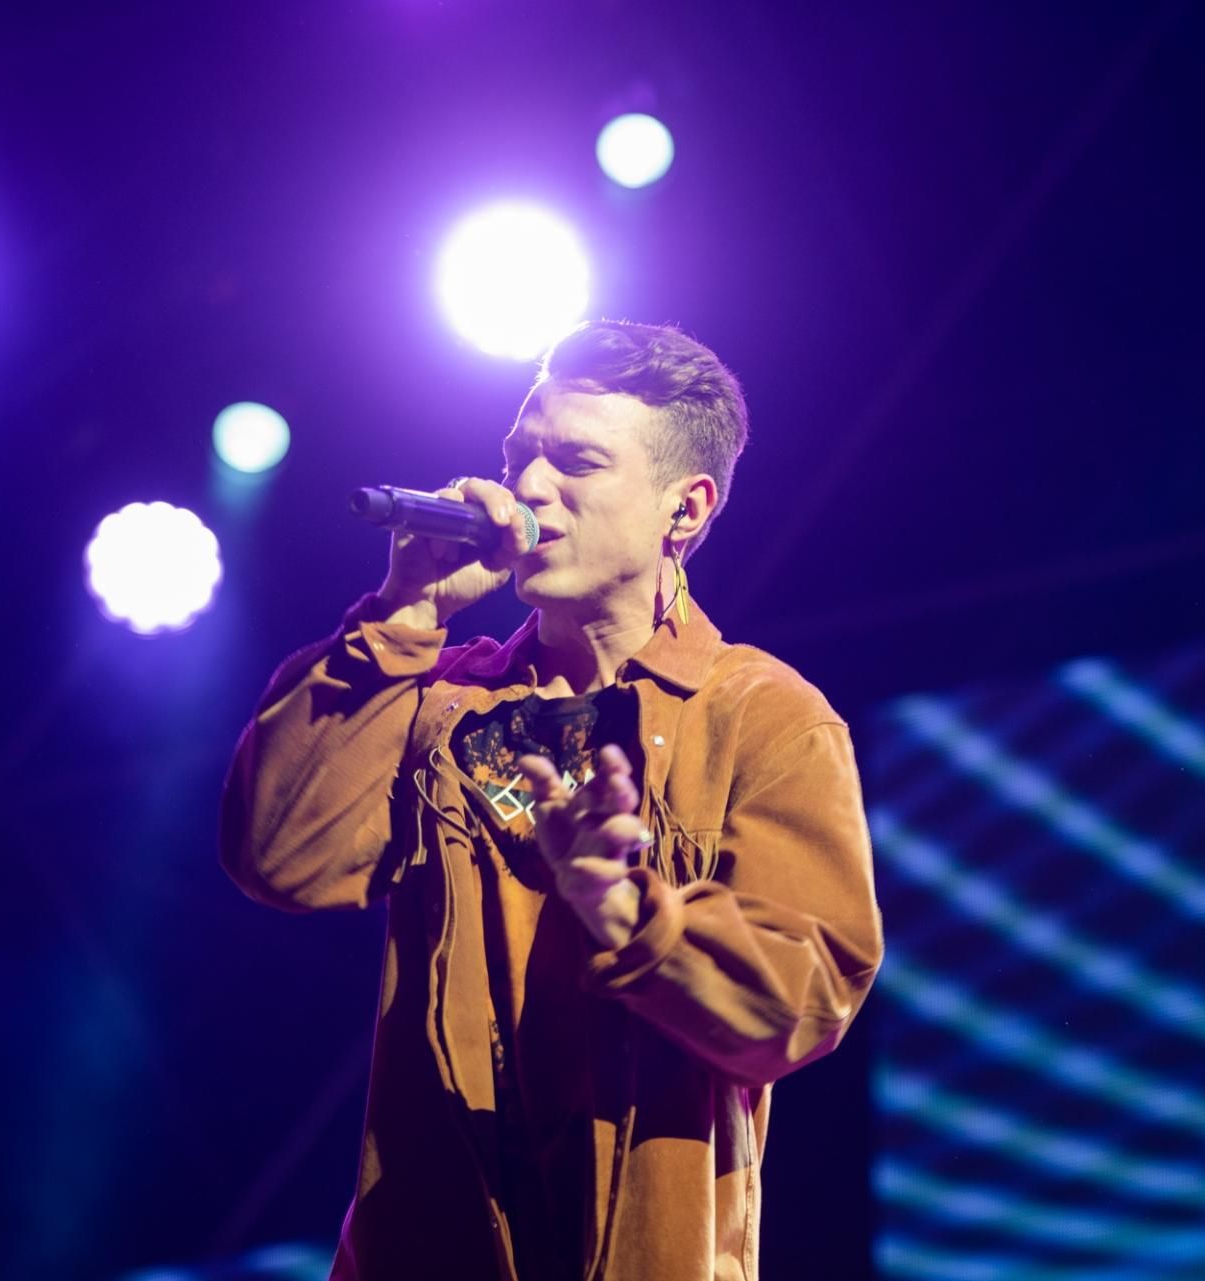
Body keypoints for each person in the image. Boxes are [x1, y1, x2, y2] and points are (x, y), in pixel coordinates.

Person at [218, 320, 883, 1281]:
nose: (528, 486)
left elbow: (806, 998)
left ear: (684, 507)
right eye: (517, 456)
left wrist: (634, 917)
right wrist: (405, 615)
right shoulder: (444, 699)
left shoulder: (762, 715)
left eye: (576, 461)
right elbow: (277, 854)